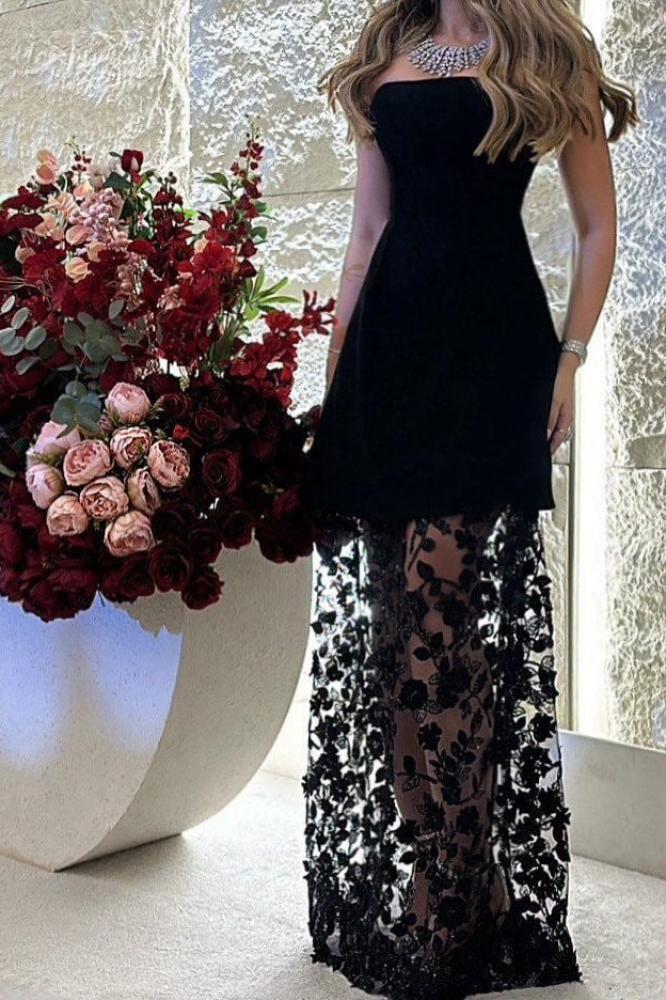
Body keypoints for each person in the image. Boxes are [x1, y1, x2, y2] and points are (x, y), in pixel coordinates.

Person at [299, 2, 638, 998]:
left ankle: (456, 880)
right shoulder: (385, 54)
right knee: (395, 631)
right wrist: (337, 380)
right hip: (388, 361)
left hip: (493, 355)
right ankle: (440, 872)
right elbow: (367, 231)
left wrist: (571, 359)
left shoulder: (546, 49)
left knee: (447, 624)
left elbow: (598, 225)